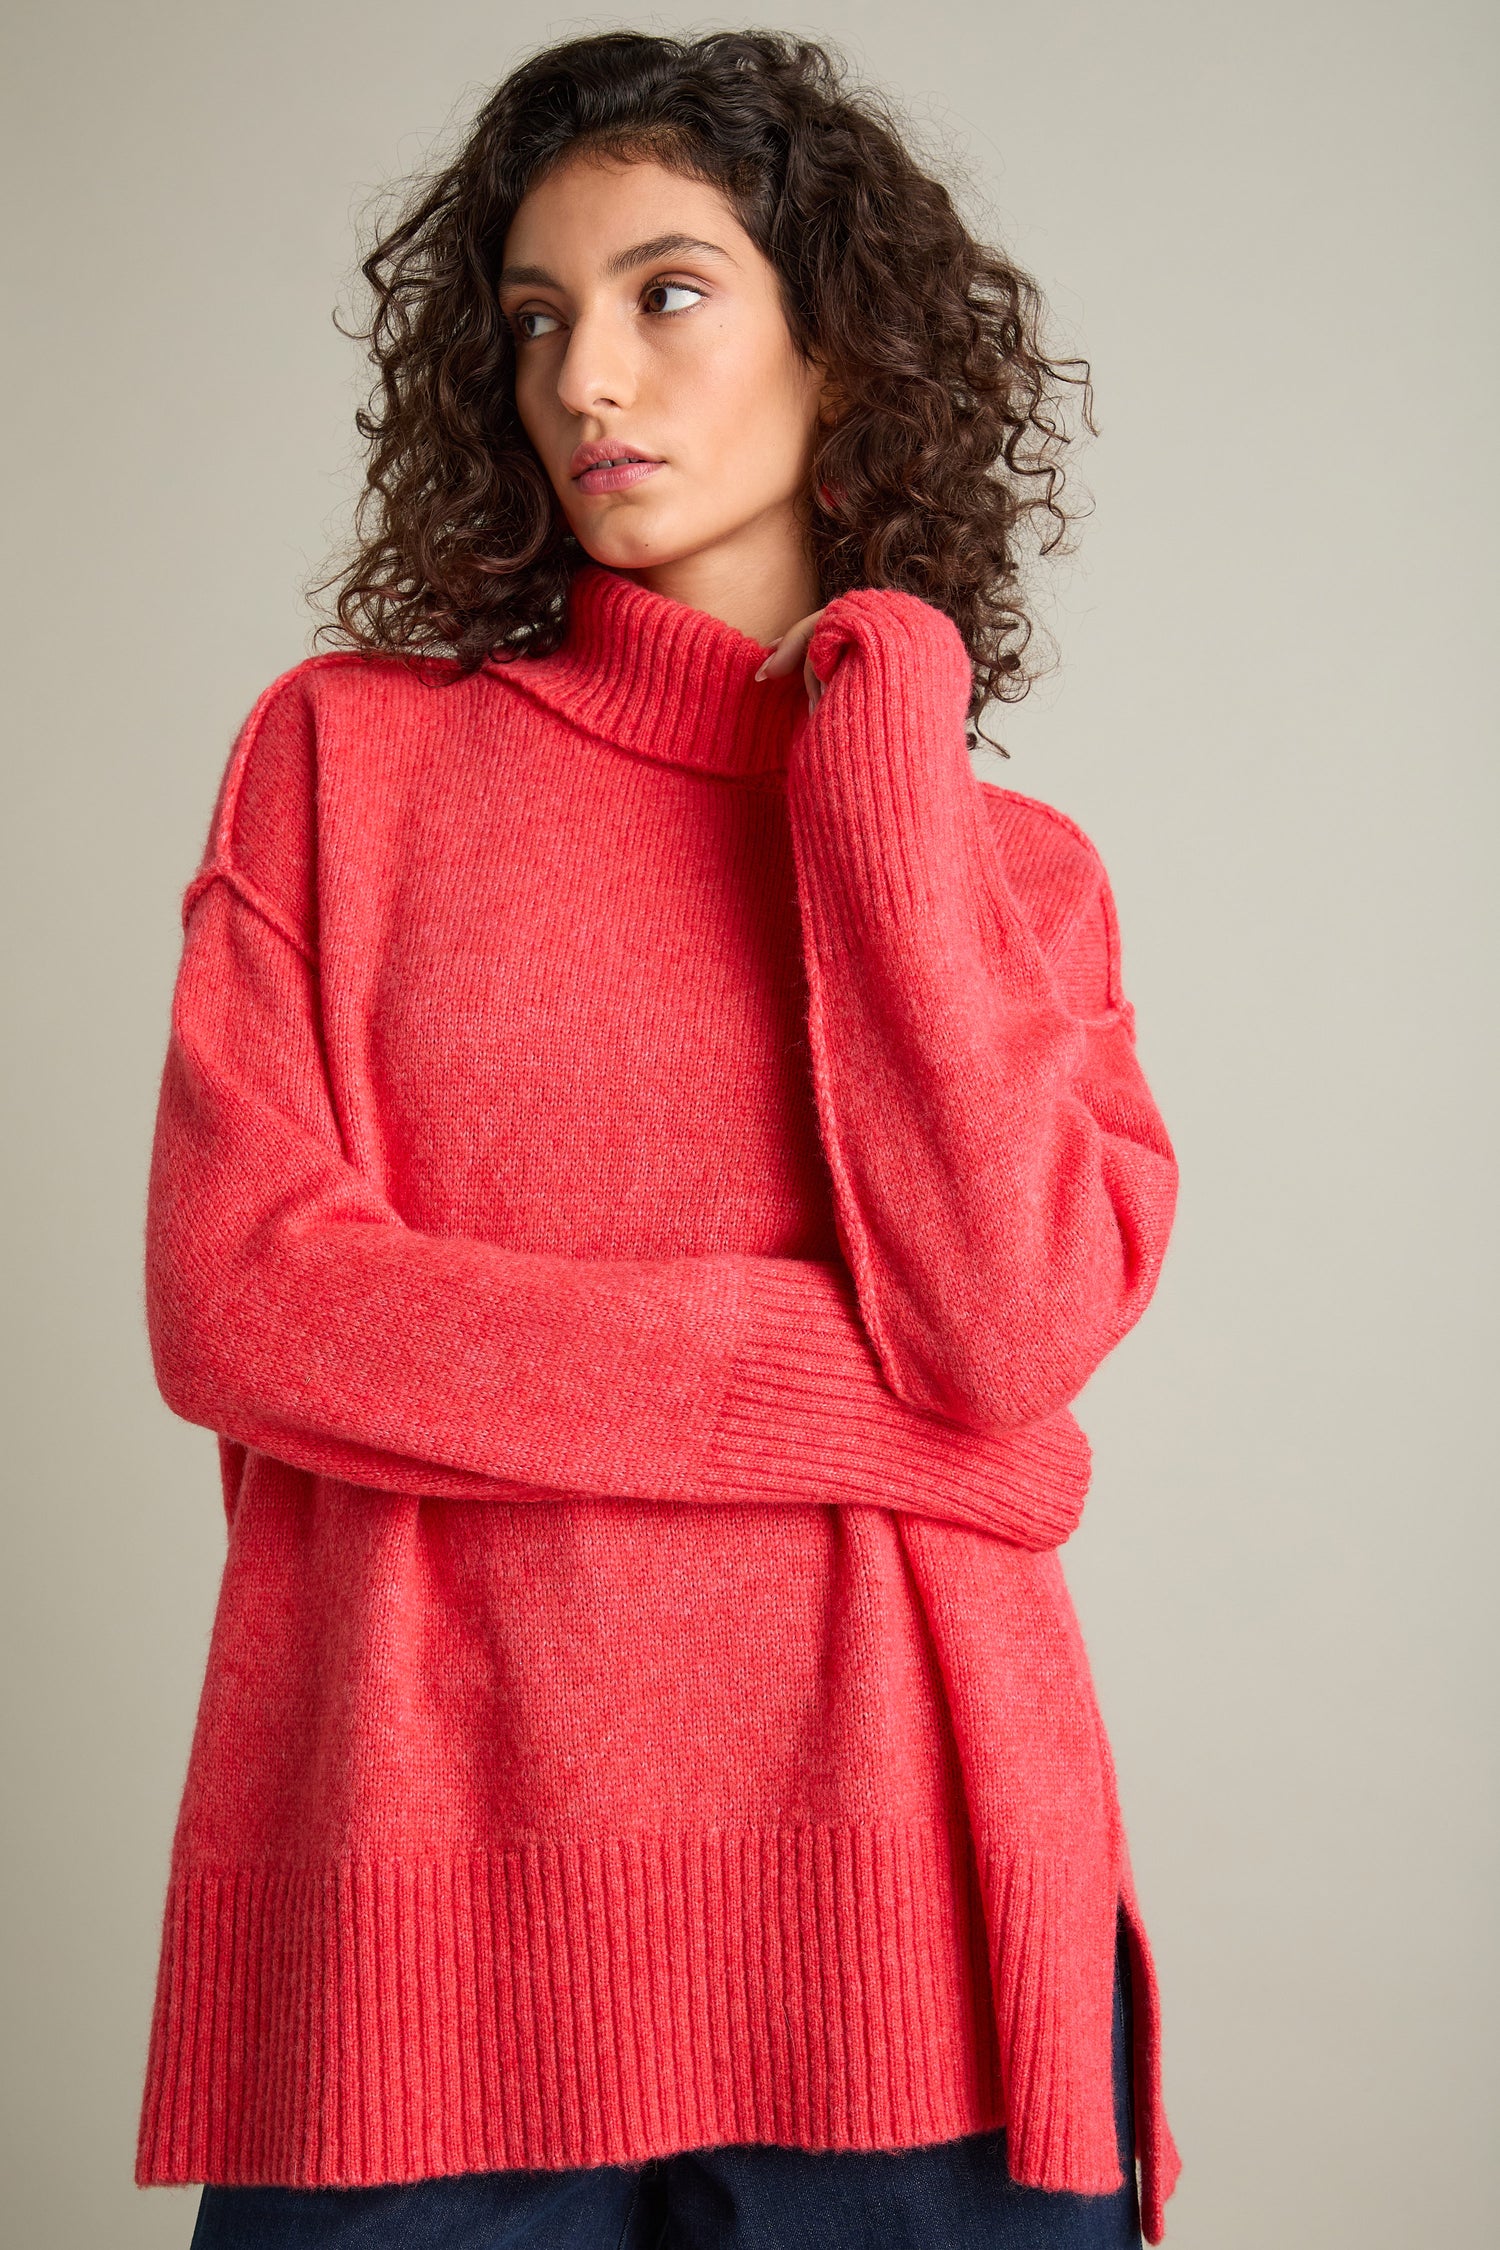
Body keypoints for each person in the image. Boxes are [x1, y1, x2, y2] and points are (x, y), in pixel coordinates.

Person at [136, 28, 1183, 2249]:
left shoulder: (1022, 873)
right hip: (424, 1948)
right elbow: (249, 1302)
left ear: (842, 338)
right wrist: (870, 1425)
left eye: (666, 291)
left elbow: (995, 1336)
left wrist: (880, 745)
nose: (586, 374)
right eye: (535, 319)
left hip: (918, 1929)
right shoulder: (347, 769)